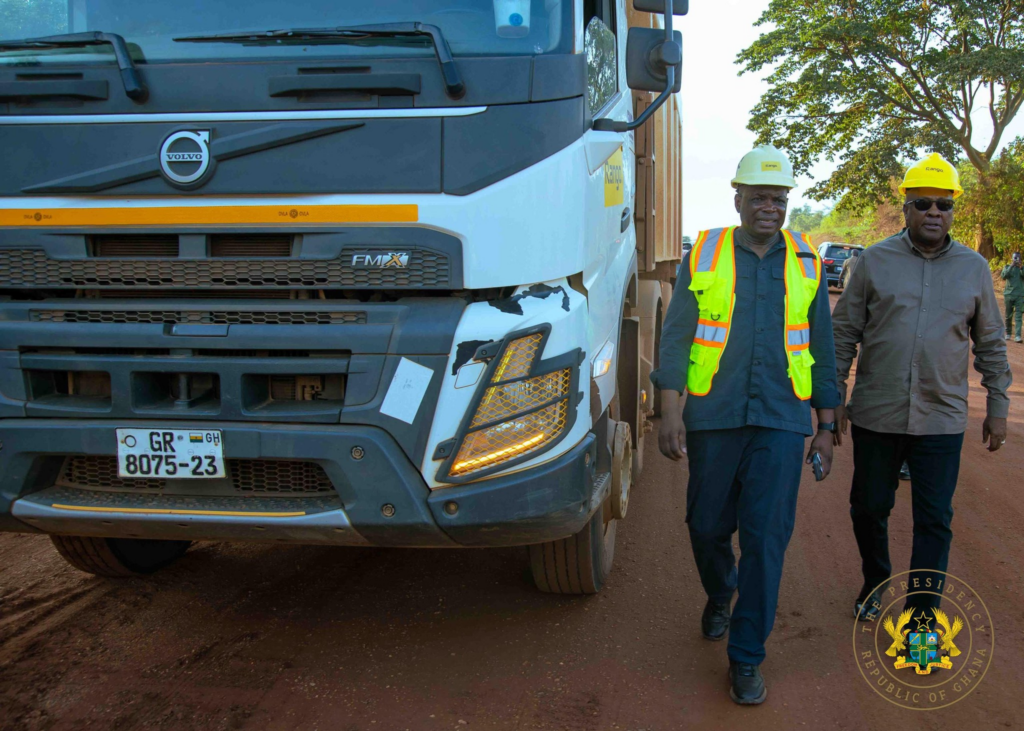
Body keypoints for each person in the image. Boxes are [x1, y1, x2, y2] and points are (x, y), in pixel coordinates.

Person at [652, 145, 838, 705]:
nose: (769, 207)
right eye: (759, 196)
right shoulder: (705, 253)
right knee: (705, 526)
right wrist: (669, 406)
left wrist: (827, 422)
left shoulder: (807, 261)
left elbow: (823, 346)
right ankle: (719, 592)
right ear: (738, 198)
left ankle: (747, 655)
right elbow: (677, 332)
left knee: (766, 538)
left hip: (782, 418)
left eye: (778, 198)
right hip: (714, 412)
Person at [832, 153, 1012, 622]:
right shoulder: (873, 261)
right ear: (907, 208)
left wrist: (997, 404)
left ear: (954, 211)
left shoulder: (973, 269)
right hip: (877, 412)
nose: (935, 212)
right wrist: (832, 399)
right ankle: (876, 581)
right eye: (924, 203)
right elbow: (843, 334)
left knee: (935, 520)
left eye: (944, 205)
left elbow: (991, 340)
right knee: (868, 509)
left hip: (941, 416)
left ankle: (923, 616)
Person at [1001, 252, 1023, 343]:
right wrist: (1011, 266)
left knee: (1018, 316)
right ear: (1012, 259)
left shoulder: (1022, 269)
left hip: (1020, 295)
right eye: (1015, 259)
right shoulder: (1007, 267)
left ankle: (1017, 336)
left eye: (1018, 259)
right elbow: (1003, 276)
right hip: (1008, 295)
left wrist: (1021, 267)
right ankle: (1008, 333)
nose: (1016, 261)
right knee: (1008, 315)